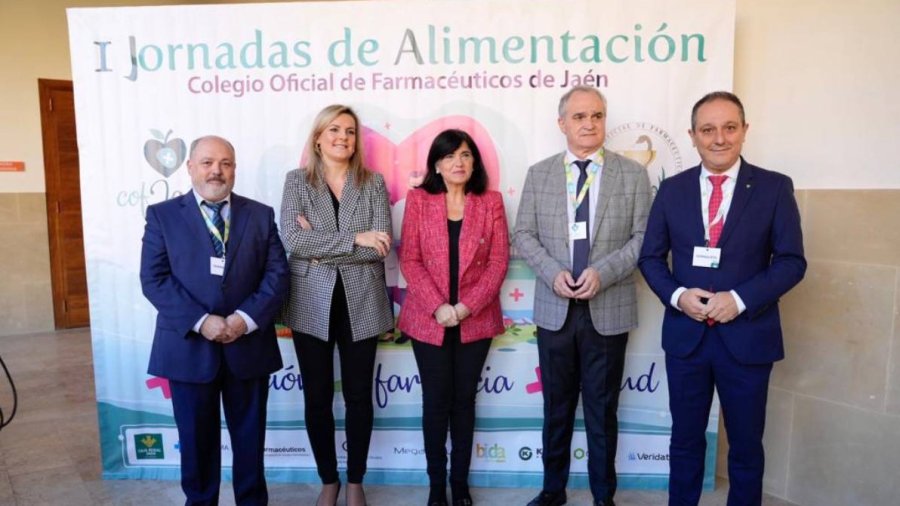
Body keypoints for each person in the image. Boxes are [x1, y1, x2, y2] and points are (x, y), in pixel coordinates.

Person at [638, 91, 806, 506]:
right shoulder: (671, 190)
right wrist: (678, 296)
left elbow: (791, 262)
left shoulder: (774, 188)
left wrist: (740, 299)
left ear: (744, 131)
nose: (719, 138)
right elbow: (650, 257)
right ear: (692, 135)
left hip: (748, 339)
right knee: (685, 441)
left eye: (729, 127)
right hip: (687, 339)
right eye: (708, 129)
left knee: (747, 448)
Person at [513, 87, 652, 506]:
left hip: (607, 309)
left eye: (596, 115)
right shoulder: (539, 174)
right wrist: (553, 272)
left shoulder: (632, 174)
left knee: (601, 411)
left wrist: (603, 272)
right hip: (555, 310)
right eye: (578, 117)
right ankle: (553, 491)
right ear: (562, 124)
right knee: (556, 409)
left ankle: (602, 496)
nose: (589, 123)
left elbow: (643, 238)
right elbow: (523, 234)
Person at [140, 135, 289, 506]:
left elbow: (277, 276)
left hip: (248, 346)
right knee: (196, 444)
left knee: (250, 443)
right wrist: (202, 321)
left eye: (225, 163)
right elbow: (154, 279)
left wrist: (244, 319)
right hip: (188, 349)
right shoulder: (162, 216)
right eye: (207, 162)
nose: (216, 171)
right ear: (190, 167)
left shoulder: (260, 214)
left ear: (235, 169)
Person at [279, 105, 393, 506]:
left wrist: (324, 244)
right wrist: (355, 239)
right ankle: (329, 479)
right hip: (311, 302)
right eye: (334, 129)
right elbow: (294, 241)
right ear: (318, 137)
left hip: (362, 302)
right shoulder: (297, 182)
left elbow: (380, 248)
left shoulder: (373, 183)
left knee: (359, 396)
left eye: (349, 130)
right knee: (317, 396)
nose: (343, 137)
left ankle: (356, 480)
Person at [397, 129, 510, 506]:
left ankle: (459, 484)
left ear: (474, 161)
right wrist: (438, 306)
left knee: (464, 402)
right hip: (427, 318)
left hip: (475, 319)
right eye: (448, 157)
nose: (457, 163)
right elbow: (409, 259)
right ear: (436, 165)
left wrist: (465, 307)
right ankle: (435, 487)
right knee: (435, 402)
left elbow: (498, 262)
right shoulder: (419, 201)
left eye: (464, 155)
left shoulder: (490, 202)